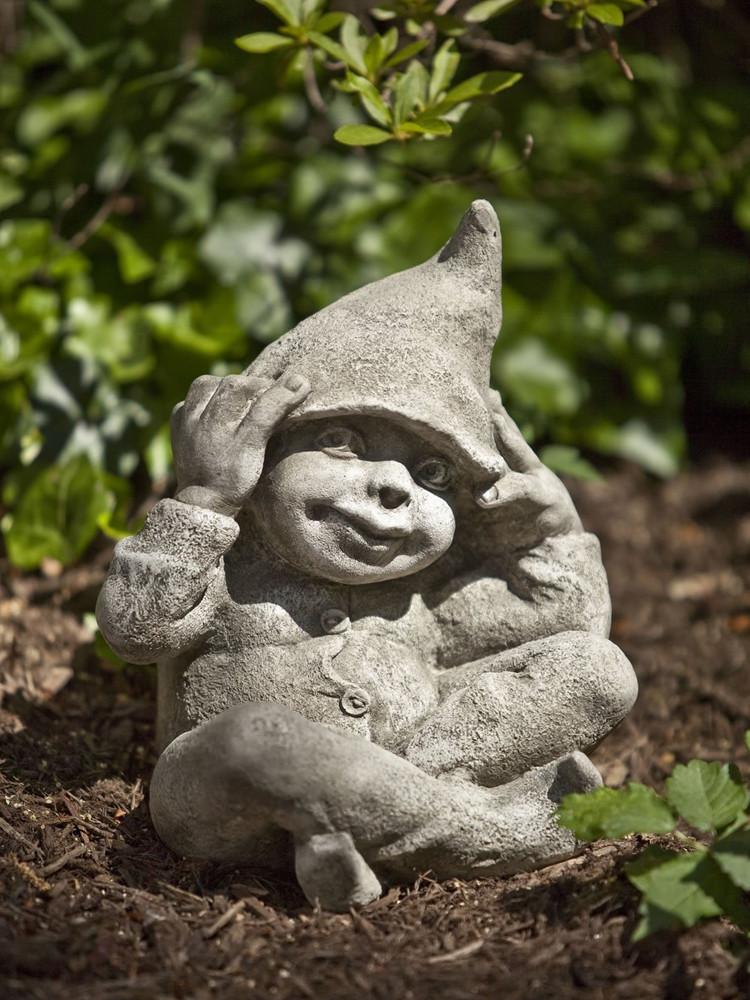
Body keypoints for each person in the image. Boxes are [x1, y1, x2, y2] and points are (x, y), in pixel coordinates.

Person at [96, 201, 637, 911]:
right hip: (224, 796)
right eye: (342, 442)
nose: (394, 486)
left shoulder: (418, 602)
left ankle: (361, 828)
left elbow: (568, 624)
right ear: (260, 452)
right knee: (254, 741)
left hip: (413, 758)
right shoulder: (224, 565)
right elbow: (136, 630)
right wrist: (203, 498)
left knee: (600, 669)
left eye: (434, 475)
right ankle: (494, 832)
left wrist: (547, 534)